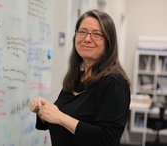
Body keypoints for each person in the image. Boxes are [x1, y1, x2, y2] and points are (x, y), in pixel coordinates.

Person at [29, 9, 130, 146]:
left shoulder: (115, 83)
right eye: (82, 32)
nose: (87, 39)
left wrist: (61, 117)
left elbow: (107, 139)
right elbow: (59, 122)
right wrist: (43, 111)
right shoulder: (76, 78)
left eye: (97, 34)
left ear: (109, 42)